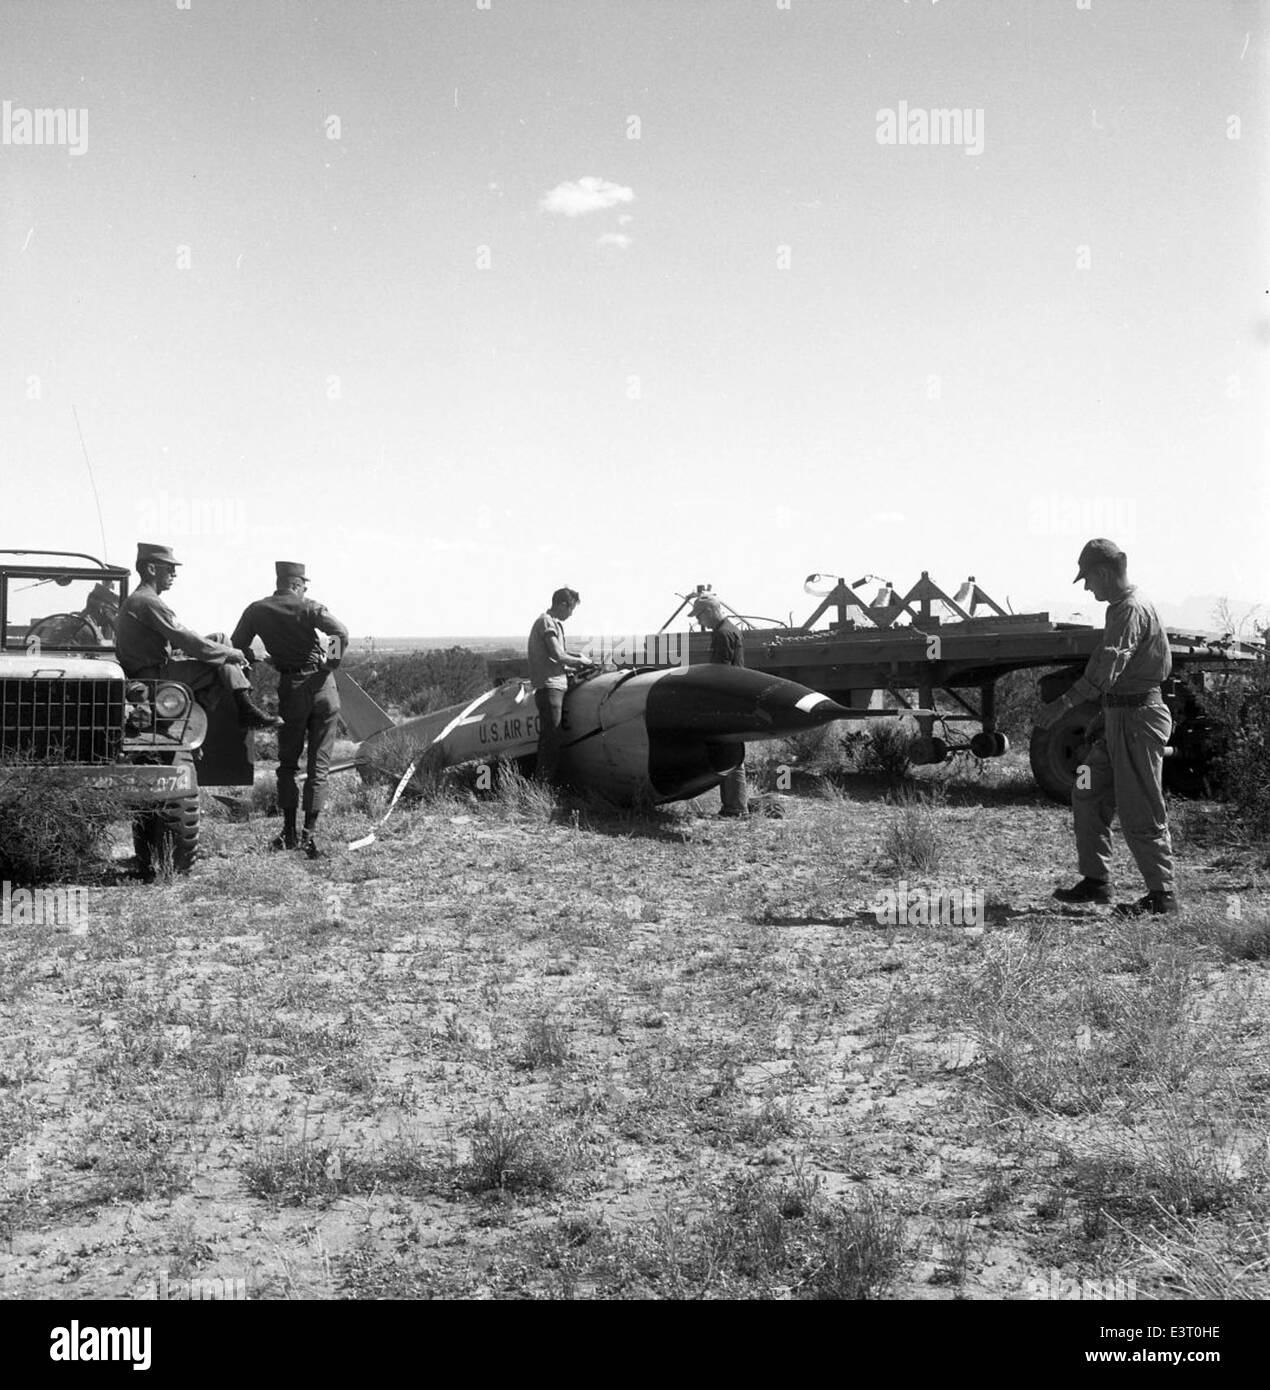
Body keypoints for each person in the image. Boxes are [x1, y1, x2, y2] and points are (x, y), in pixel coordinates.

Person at [1036, 539, 1177, 916]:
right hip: (1118, 716)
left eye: (1087, 579)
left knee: (1140, 806)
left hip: (1138, 720)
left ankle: (1163, 896)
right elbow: (1110, 673)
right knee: (1086, 789)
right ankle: (1096, 881)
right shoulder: (1119, 609)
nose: (1086, 588)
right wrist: (1103, 715)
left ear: (1102, 572)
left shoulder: (1130, 609)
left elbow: (1107, 671)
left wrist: (1062, 706)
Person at [232, 561, 350, 859]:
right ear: (296, 584)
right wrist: (331, 663)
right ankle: (309, 836)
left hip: (291, 688)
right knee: (318, 765)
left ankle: (288, 832)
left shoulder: (257, 610)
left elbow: (235, 646)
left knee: (287, 764)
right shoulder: (308, 607)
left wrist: (259, 656)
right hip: (323, 686)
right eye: (303, 586)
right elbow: (340, 632)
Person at [115, 543, 281, 730]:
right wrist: (231, 653)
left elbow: (175, 641)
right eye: (169, 569)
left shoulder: (139, 599)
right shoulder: (147, 601)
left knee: (220, 638)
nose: (174, 574)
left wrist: (224, 650)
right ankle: (223, 707)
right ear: (152, 569)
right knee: (223, 665)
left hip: (150, 669)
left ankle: (241, 706)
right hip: (153, 675)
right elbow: (185, 639)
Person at [691, 595, 750, 817]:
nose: (698, 621)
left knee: (729, 752)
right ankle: (735, 806)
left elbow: (720, 673)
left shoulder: (723, 634)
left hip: (727, 699)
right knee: (732, 751)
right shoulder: (729, 630)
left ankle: (735, 808)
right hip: (733, 697)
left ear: (710, 611)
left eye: (699, 616)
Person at [527, 587, 588, 784]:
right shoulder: (547, 622)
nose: (571, 614)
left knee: (552, 737)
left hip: (556, 685)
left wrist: (576, 658)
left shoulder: (554, 624)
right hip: (550, 687)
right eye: (571, 609)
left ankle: (547, 782)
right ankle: (542, 785)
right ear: (562, 605)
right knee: (551, 738)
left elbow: (558, 656)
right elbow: (558, 655)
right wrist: (581, 661)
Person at [29, 581, 120, 647]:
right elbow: (102, 647)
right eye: (113, 612)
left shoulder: (80, 621)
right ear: (102, 610)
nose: (114, 616)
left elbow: (104, 643)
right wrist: (115, 624)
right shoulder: (87, 627)